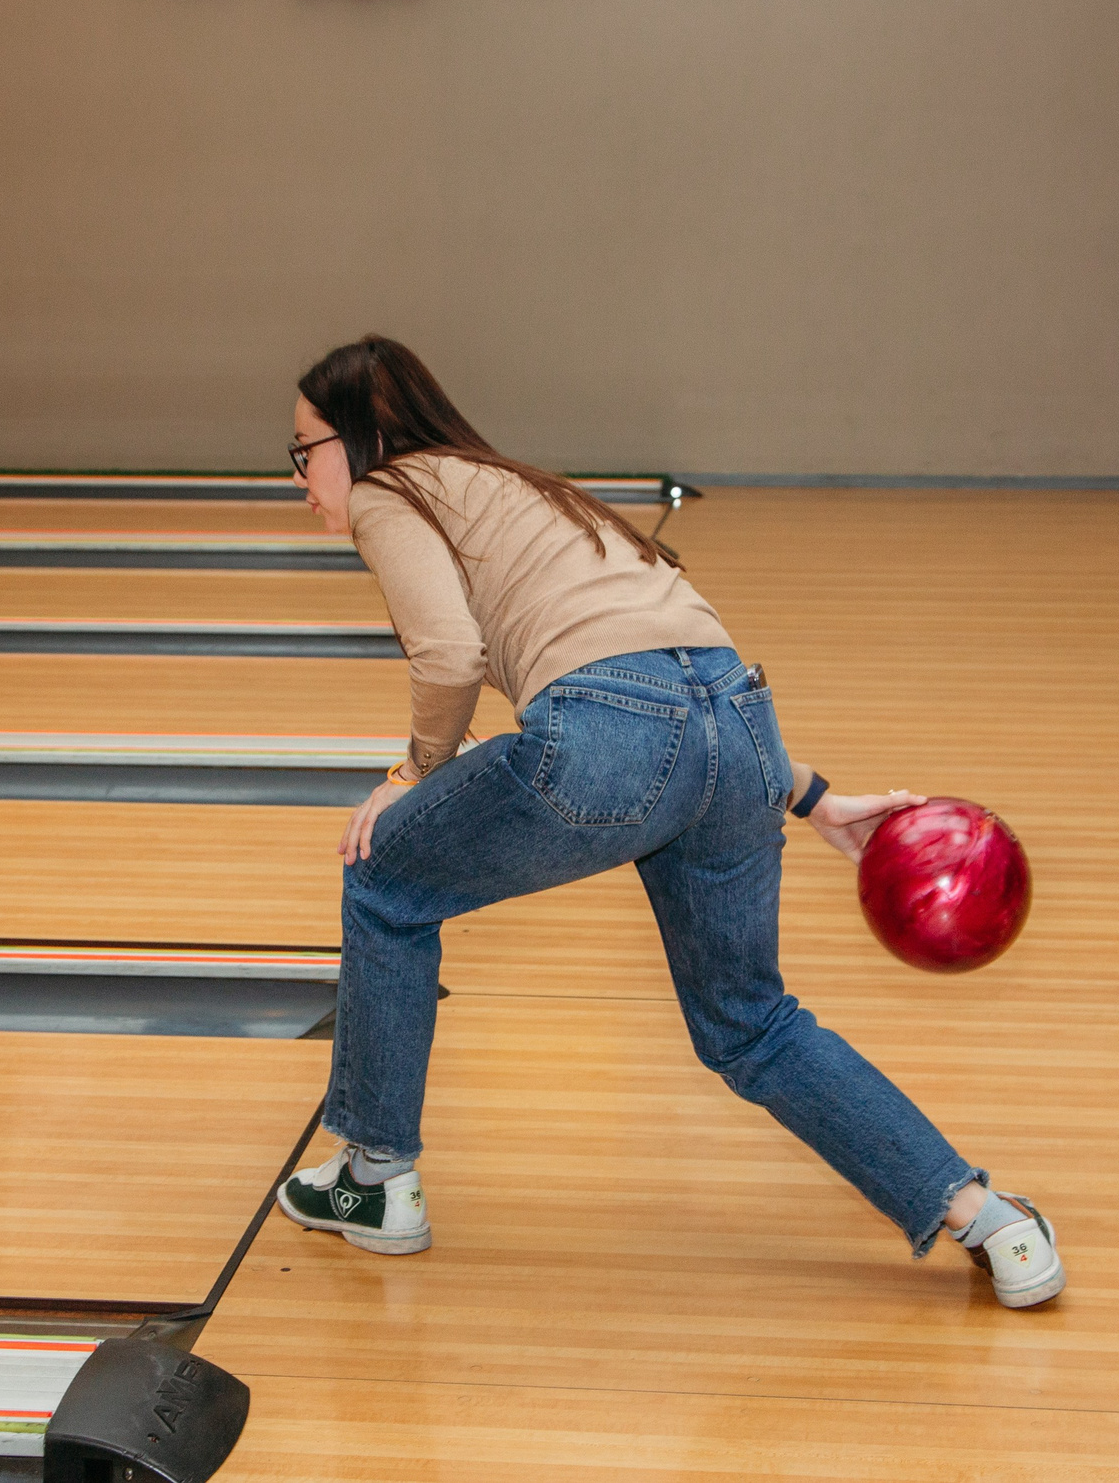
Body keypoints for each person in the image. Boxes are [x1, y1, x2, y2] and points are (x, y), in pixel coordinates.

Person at [272, 336, 1064, 1308]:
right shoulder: (532, 490)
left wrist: (410, 773)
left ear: (366, 435)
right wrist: (809, 796)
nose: (300, 476)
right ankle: (987, 1217)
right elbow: (681, 687)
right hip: (737, 720)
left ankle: (374, 1173)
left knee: (386, 875)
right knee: (750, 1022)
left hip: (609, 735)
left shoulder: (397, 491)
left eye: (305, 450)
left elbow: (449, 654)